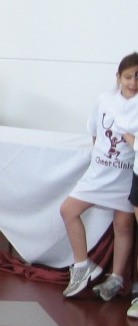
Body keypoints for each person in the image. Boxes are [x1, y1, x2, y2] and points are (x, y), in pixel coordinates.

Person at [59, 53, 138, 300]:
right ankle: (82, 266)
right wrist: (99, 157)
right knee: (68, 210)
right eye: (128, 77)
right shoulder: (105, 100)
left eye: (137, 78)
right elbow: (95, 130)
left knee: (123, 225)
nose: (133, 83)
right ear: (118, 77)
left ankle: (116, 278)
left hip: (125, 176)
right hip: (99, 172)